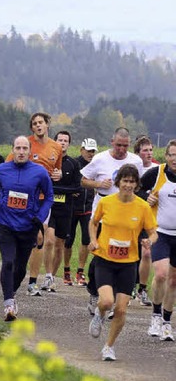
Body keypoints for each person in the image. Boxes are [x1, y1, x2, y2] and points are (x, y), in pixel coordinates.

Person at [88, 164, 158, 361]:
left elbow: (153, 233)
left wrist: (148, 241)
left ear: (137, 185)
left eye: (132, 182)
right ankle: (100, 314)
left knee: (121, 309)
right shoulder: (106, 202)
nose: (128, 185)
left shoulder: (143, 207)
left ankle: (108, 347)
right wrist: (93, 240)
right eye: (125, 181)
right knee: (107, 301)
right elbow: (93, 222)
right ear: (118, 182)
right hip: (104, 259)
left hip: (128, 263)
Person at [0, 136, 54, 321]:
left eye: (25, 148)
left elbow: (49, 196)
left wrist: (40, 218)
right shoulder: (1, 170)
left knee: (20, 267)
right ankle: (8, 302)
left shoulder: (39, 172)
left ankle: (12, 292)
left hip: (28, 226)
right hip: (5, 223)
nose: (21, 151)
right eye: (18, 148)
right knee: (8, 262)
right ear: (12, 149)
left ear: (30, 151)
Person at [80, 127, 144, 313]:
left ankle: (113, 298)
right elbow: (83, 180)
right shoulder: (100, 158)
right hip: (103, 214)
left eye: (125, 146)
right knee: (99, 256)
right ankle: (94, 291)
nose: (121, 149)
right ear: (111, 142)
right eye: (118, 145)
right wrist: (99, 184)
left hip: (126, 217)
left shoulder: (136, 161)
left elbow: (138, 185)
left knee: (121, 257)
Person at [7, 113, 62, 296]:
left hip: (43, 199)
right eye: (35, 124)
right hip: (23, 198)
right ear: (32, 128)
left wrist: (58, 175)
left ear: (47, 125)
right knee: (21, 237)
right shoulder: (25, 144)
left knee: (41, 238)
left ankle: (32, 282)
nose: (38, 126)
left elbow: (57, 170)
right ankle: (13, 269)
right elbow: (9, 163)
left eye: (41, 123)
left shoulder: (56, 148)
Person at [141, 140, 176, 341]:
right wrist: (146, 196)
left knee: (173, 280)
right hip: (160, 233)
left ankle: (167, 322)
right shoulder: (157, 173)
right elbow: (135, 188)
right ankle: (155, 315)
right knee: (161, 274)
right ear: (166, 156)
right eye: (171, 155)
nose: (174, 159)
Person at [41, 130, 82, 291]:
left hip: (66, 209)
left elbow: (77, 187)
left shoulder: (73, 164)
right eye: (60, 140)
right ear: (54, 142)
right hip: (49, 206)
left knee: (59, 245)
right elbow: (45, 185)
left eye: (65, 140)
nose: (62, 143)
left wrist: (59, 189)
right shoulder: (48, 161)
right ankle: (47, 274)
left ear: (69, 144)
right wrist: (64, 189)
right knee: (49, 240)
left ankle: (52, 277)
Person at [65, 138, 98, 286]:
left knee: (86, 240)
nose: (90, 154)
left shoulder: (96, 165)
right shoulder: (74, 163)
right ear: (81, 149)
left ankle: (80, 272)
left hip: (88, 207)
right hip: (72, 207)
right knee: (68, 240)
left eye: (93, 151)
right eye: (88, 150)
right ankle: (66, 271)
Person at [132, 135, 160, 305]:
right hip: (133, 217)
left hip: (152, 219)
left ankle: (142, 289)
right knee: (132, 254)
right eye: (145, 150)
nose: (149, 153)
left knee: (147, 252)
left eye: (151, 150)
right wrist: (145, 197)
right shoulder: (133, 168)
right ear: (137, 153)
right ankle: (129, 287)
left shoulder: (159, 169)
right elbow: (133, 190)